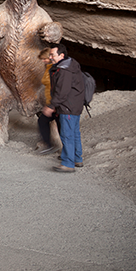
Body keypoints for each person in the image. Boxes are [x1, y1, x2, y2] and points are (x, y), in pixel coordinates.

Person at [41, 43, 85, 173]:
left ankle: (68, 163)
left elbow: (62, 91)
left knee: (67, 134)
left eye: (52, 55)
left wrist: (52, 106)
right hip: (73, 105)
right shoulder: (69, 65)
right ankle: (77, 158)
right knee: (74, 133)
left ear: (61, 55)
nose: (50, 57)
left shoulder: (64, 70)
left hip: (68, 106)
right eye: (49, 55)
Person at [37, 48, 60, 155]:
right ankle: (52, 145)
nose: (43, 61)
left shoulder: (54, 69)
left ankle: (69, 153)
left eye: (44, 59)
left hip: (56, 103)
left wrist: (52, 105)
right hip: (52, 102)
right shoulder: (48, 68)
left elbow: (57, 88)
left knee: (45, 122)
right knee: (44, 122)